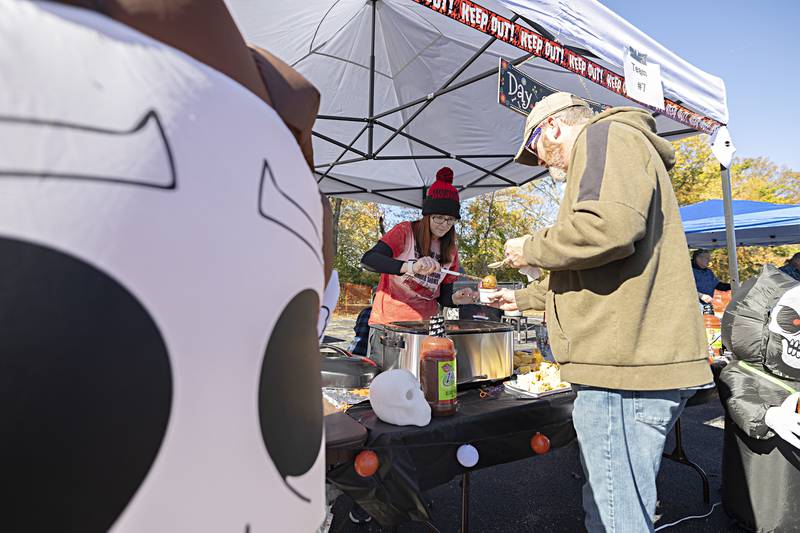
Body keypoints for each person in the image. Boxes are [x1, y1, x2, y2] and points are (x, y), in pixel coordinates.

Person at [487, 92, 713, 532]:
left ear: (552, 126)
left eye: (535, 147)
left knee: (616, 516)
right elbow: (606, 266)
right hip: (628, 363)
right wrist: (528, 299)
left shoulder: (604, 135)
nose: (539, 159)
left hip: (623, 367)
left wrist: (529, 247)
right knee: (617, 500)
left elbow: (606, 229)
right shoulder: (618, 146)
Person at [360, 167, 477, 352]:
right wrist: (411, 267)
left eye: (450, 219)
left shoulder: (451, 250)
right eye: (438, 218)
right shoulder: (406, 232)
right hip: (389, 326)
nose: (444, 225)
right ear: (428, 215)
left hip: (426, 328)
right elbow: (369, 260)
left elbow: (442, 296)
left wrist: (456, 299)